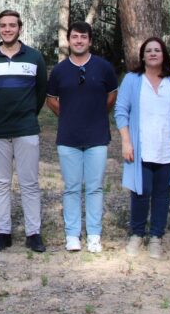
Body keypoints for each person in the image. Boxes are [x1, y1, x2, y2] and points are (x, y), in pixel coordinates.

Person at [114, 37, 170, 260]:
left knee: (162, 194)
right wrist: (126, 141)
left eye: (157, 50)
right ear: (142, 56)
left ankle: (156, 236)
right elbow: (121, 111)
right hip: (141, 149)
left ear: (164, 54)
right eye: (148, 51)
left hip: (168, 148)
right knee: (140, 191)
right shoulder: (132, 80)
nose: (153, 54)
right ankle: (137, 234)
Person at [0, 10, 48, 253]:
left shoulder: (35, 58)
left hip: (26, 129)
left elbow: (40, 93)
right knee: (0, 183)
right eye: (3, 25)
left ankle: (33, 234)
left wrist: (27, 114)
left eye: (12, 25)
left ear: (20, 28)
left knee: (29, 183)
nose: (7, 29)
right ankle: (3, 233)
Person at [45, 21, 117, 253]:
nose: (79, 41)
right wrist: (68, 115)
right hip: (68, 138)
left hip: (97, 136)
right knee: (72, 188)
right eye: (75, 37)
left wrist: (97, 114)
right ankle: (72, 234)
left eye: (83, 37)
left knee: (95, 188)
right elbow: (51, 99)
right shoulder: (59, 70)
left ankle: (94, 235)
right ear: (69, 40)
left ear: (90, 41)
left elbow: (111, 95)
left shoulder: (104, 67)